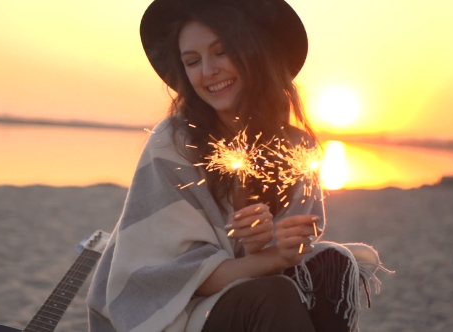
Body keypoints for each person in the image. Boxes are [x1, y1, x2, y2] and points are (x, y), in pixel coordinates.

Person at [87, 0, 388, 331]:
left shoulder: (298, 148)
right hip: (176, 313)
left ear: (257, 52)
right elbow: (170, 277)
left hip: (257, 292)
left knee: (332, 265)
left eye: (222, 52)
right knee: (271, 295)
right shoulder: (173, 141)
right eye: (192, 61)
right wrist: (273, 258)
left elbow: (293, 256)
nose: (207, 71)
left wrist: (269, 246)